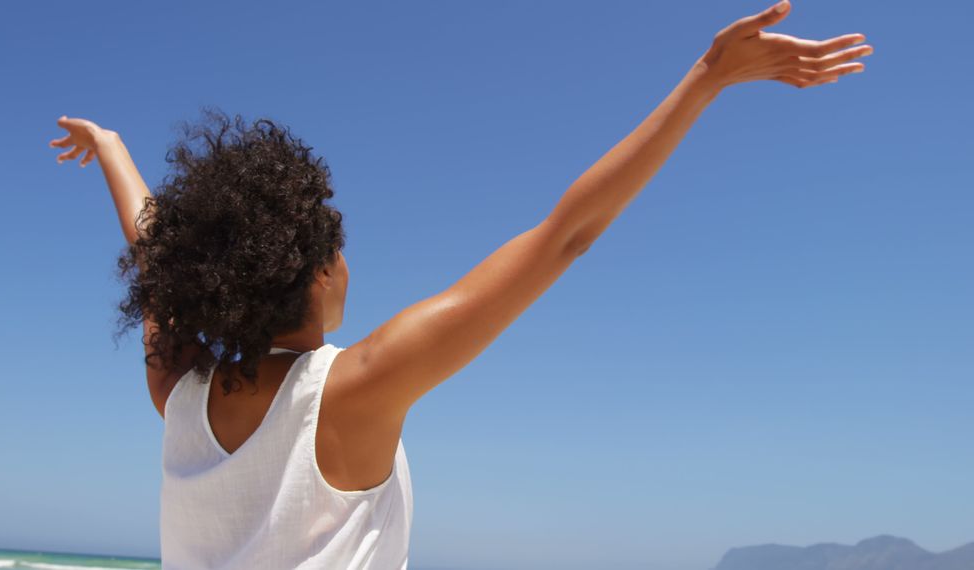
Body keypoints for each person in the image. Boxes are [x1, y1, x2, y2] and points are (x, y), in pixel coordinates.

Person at [49, 1, 871, 568]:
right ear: (321, 269)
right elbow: (565, 238)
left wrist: (116, 152)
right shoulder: (353, 389)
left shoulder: (178, 392)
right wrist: (706, 78)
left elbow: (155, 257)